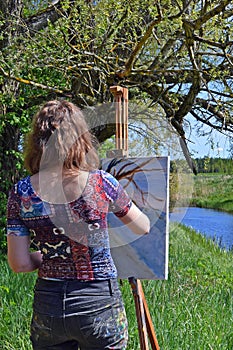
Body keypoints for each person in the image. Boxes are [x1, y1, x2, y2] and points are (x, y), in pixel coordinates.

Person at [6, 100, 150, 350]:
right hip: (99, 304)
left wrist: (51, 253)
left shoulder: (21, 193)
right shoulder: (102, 183)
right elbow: (142, 226)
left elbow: (19, 264)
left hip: (49, 309)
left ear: (38, 142)